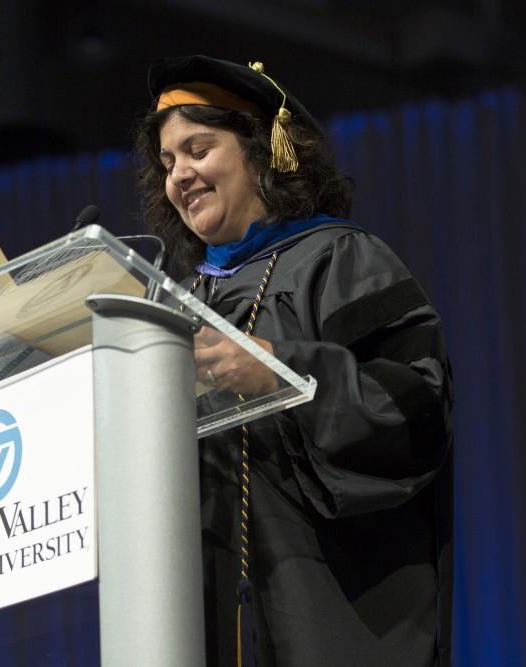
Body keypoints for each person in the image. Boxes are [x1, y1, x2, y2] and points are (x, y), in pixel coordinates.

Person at [134, 55, 454, 666]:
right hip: (200, 616)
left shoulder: (341, 260)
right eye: (167, 162)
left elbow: (418, 408)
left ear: (263, 150)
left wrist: (285, 372)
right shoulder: (178, 304)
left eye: (197, 150)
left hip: (334, 607)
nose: (179, 175)